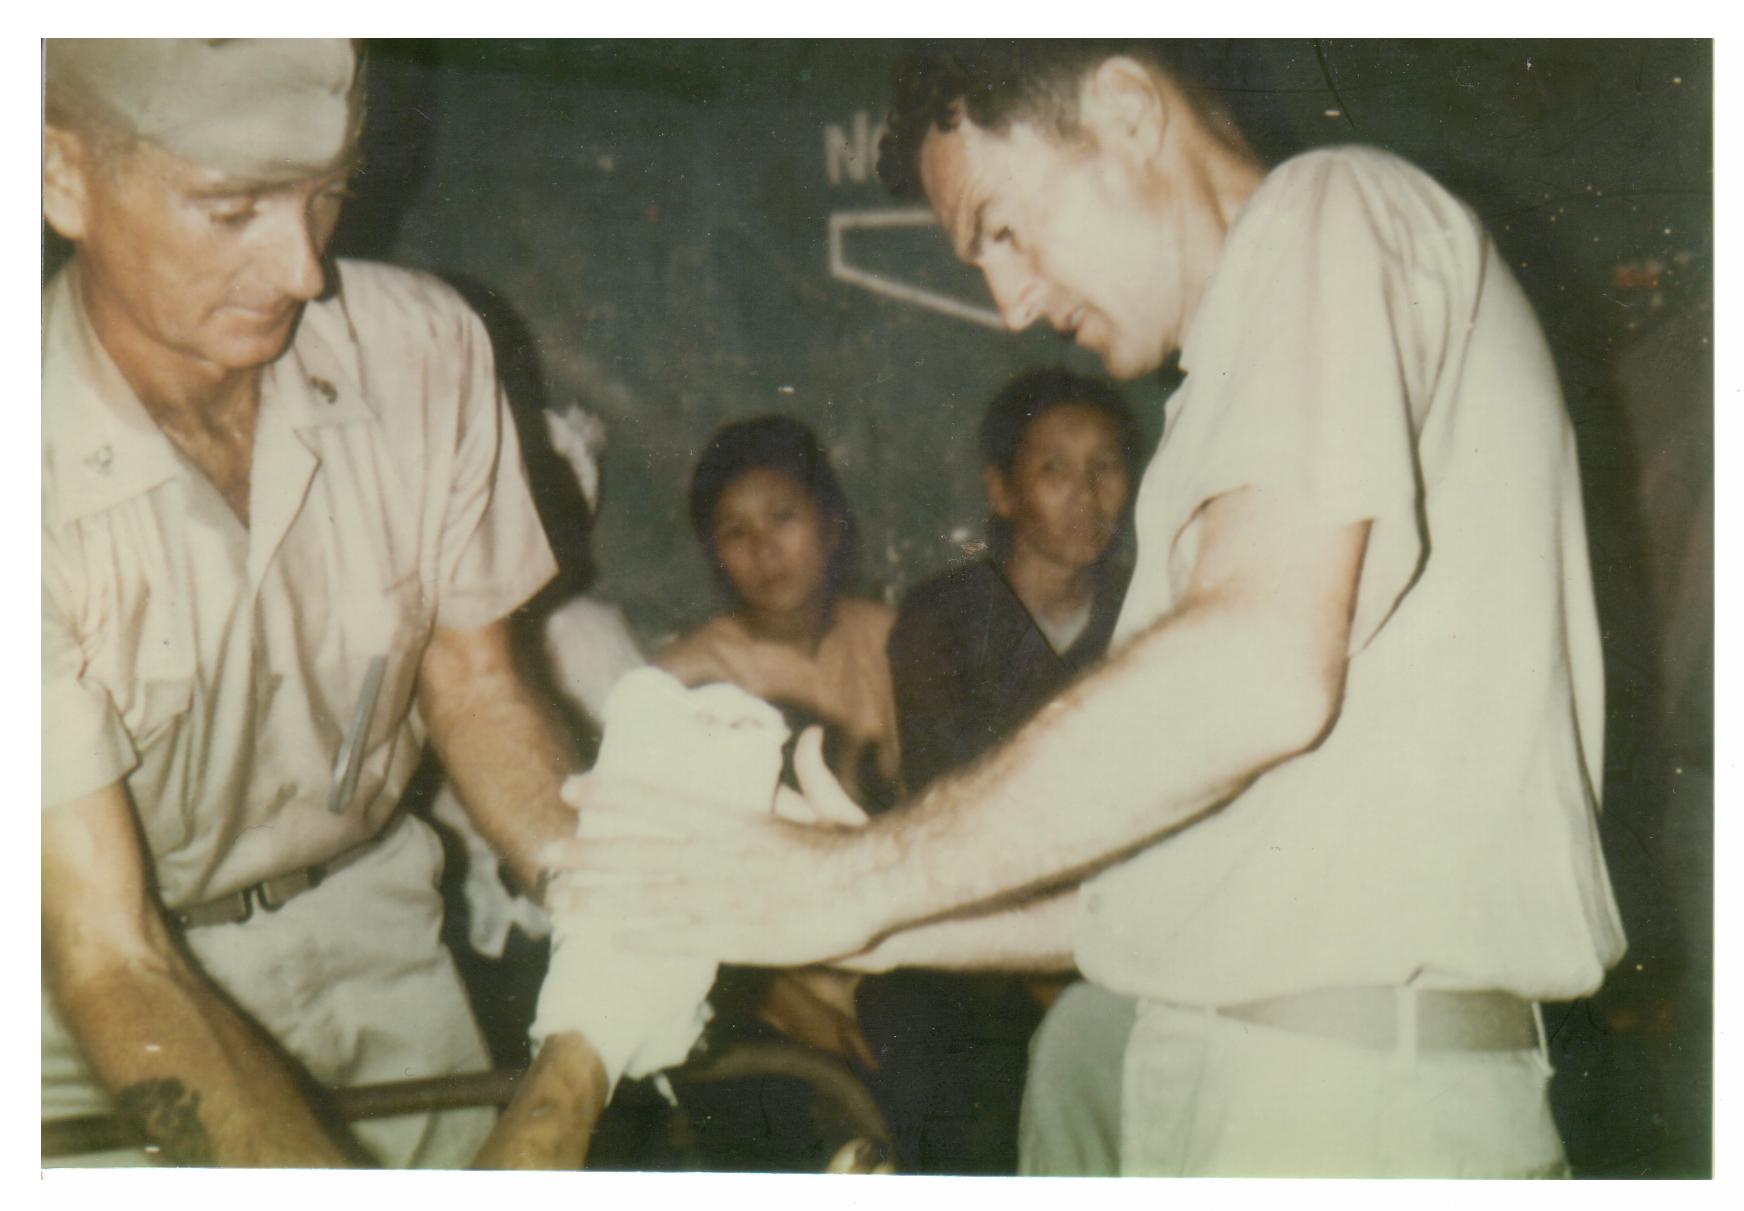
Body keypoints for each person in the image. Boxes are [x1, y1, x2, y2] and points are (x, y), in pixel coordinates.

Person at [553, 42, 1627, 1177]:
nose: (1009, 304)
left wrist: (846, 883)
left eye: (1003, 229)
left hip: (1348, 1102)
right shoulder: (1220, 416)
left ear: (1124, 107)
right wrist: (874, 911)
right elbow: (1155, 904)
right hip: (1253, 1076)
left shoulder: (1330, 205)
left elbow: (1256, 670)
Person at [41, 39, 602, 1169]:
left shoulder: (419, 348)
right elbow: (109, 949)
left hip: (372, 925)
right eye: (232, 207)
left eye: (328, 197)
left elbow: (475, 681)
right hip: (80, 990)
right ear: (63, 178)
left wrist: (612, 921)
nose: (302, 269)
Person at [875, 366, 1139, 1173]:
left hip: (1126, 928)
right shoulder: (940, 620)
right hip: (983, 935)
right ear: (1002, 488)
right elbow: (956, 810)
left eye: (1106, 466)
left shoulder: (1156, 611)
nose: (1087, 494)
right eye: (1055, 468)